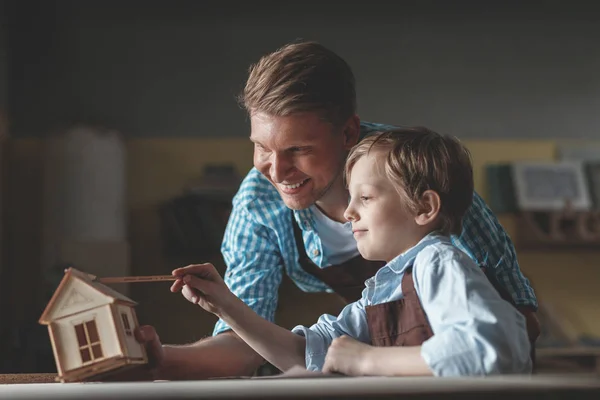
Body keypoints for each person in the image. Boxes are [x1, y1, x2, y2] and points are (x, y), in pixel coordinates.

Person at [133, 40, 539, 380]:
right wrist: (170, 349)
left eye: (298, 150)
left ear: (347, 132)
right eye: (261, 147)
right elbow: (302, 351)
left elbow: (509, 328)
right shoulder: (378, 285)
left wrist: (369, 361)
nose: (275, 171)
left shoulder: (416, 179)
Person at [172, 128, 532, 376]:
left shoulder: (438, 263)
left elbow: (488, 351)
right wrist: (224, 304)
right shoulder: (388, 286)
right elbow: (306, 353)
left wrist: (368, 360)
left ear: (424, 207)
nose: (348, 213)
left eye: (366, 198)